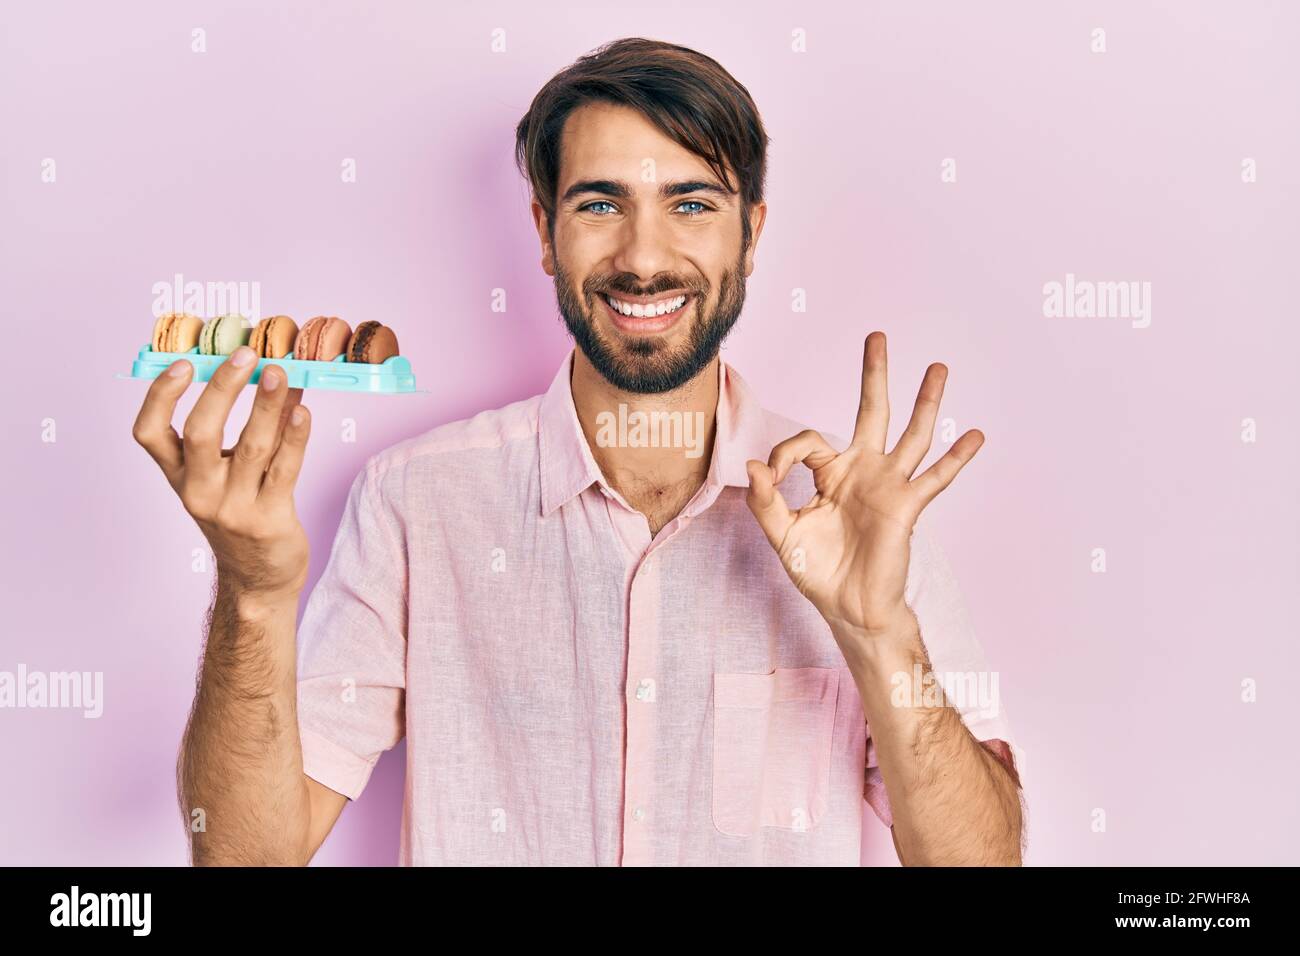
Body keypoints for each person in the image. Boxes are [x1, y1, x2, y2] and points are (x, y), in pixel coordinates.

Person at [133, 37, 1024, 866]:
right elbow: (245, 852)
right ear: (544, 233)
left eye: (691, 204)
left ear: (750, 234)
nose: (643, 257)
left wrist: (878, 634)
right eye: (600, 204)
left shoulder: (850, 512)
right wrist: (251, 594)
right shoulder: (417, 501)